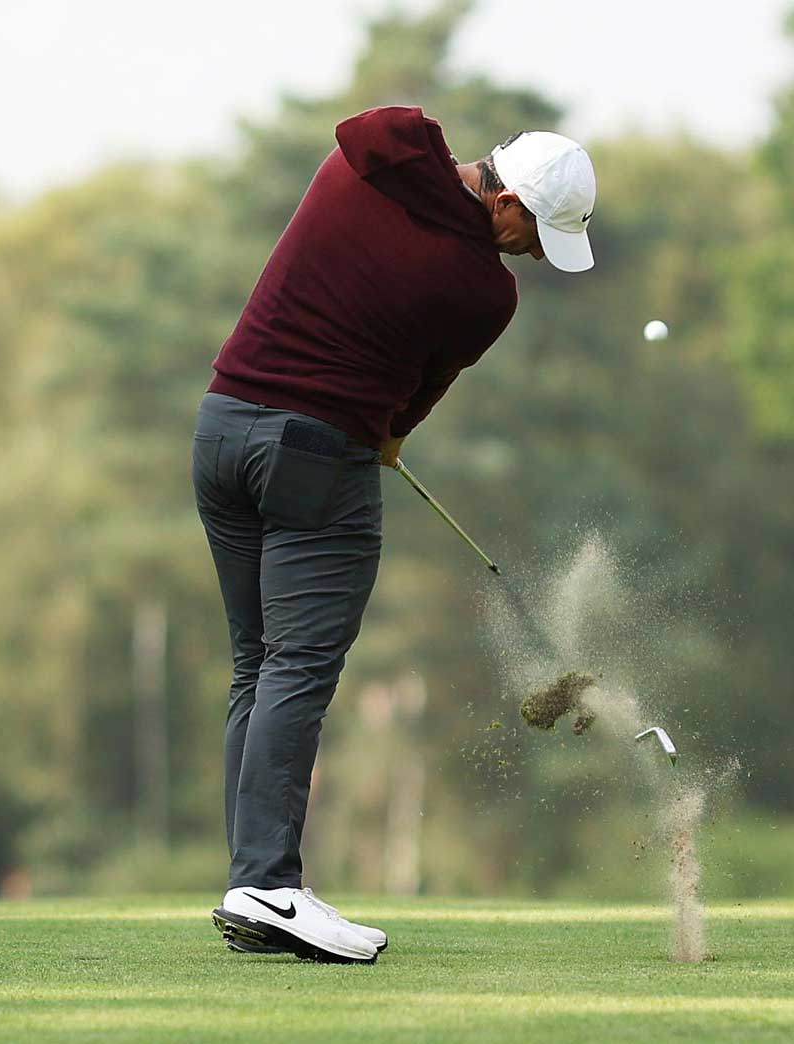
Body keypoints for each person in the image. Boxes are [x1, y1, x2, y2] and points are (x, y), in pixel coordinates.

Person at [192, 105, 597, 963]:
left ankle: (252, 883)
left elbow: (383, 123)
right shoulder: (483, 292)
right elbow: (403, 415)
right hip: (314, 459)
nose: (534, 256)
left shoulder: (366, 164)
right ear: (508, 203)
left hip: (221, 430)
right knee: (297, 667)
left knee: (257, 664)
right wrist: (389, 432)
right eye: (537, 235)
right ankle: (266, 882)